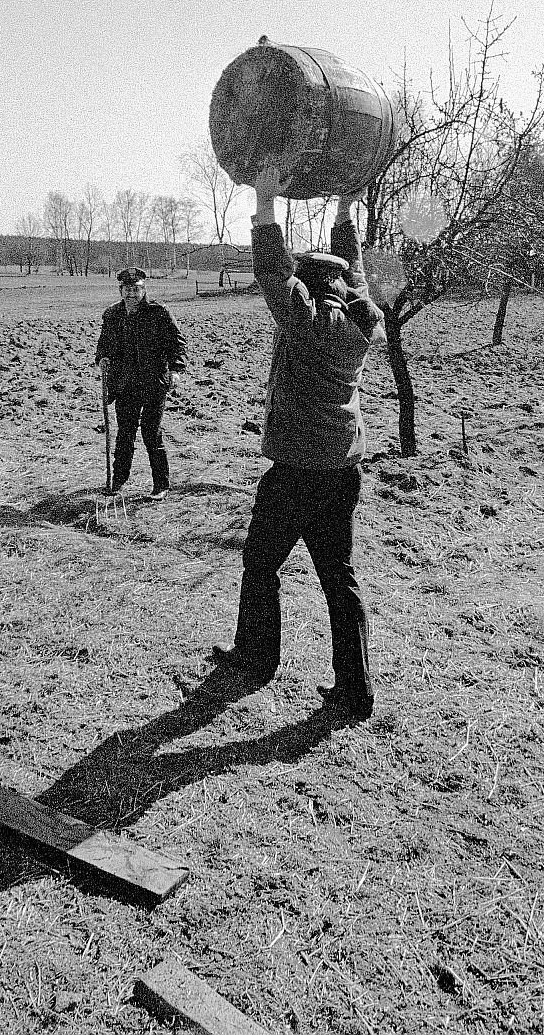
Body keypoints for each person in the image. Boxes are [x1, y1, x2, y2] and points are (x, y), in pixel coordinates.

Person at [213, 166, 385, 723]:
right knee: (339, 575)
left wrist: (264, 201)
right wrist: (345, 210)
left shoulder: (302, 320)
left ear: (308, 283)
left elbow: (270, 268)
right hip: (344, 465)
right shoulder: (363, 321)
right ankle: (354, 690)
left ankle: (257, 659)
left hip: (296, 470)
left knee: (260, 561)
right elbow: (354, 272)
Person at [95, 267, 187, 500]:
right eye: (127, 290)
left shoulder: (159, 313)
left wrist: (175, 370)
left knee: (151, 433)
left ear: (144, 290)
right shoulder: (112, 315)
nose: (132, 294)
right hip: (125, 385)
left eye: (136, 290)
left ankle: (161, 485)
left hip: (154, 383)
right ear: (120, 290)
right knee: (125, 434)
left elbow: (177, 344)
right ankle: (118, 481)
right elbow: (103, 345)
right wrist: (102, 358)